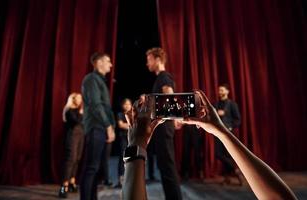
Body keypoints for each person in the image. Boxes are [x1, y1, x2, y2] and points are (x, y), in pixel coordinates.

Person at [122, 91, 298, 200]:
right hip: (222, 133)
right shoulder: (219, 106)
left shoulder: (231, 105)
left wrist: (136, 145)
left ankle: (234, 172)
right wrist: (221, 131)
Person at [145, 47, 182, 199]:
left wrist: (176, 118)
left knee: (167, 166)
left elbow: (169, 94)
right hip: (163, 127)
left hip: (165, 127)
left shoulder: (164, 77)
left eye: (149, 60)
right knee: (165, 166)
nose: (147, 64)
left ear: (157, 60)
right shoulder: (161, 77)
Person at [80, 52, 116, 200]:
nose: (111, 64)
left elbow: (104, 107)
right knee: (91, 168)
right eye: (108, 61)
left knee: (96, 170)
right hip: (96, 128)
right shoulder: (91, 79)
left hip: (101, 128)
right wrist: (108, 126)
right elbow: (96, 105)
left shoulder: (100, 81)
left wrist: (110, 126)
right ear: (99, 63)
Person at [214, 83, 242, 185]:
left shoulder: (232, 104)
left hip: (228, 133)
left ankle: (230, 177)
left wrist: (230, 127)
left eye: (222, 90)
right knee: (219, 154)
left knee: (227, 155)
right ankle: (235, 170)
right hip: (218, 133)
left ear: (227, 91)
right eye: (219, 90)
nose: (220, 92)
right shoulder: (216, 104)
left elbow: (238, 120)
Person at [59, 93, 85, 198]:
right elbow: (77, 121)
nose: (80, 100)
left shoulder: (79, 111)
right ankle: (63, 186)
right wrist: (82, 112)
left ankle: (72, 182)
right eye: (78, 98)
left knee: (77, 159)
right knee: (70, 159)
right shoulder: (69, 110)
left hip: (80, 137)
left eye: (81, 98)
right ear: (73, 99)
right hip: (72, 137)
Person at [114, 98, 132, 188]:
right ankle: (121, 179)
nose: (127, 106)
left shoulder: (133, 114)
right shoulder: (120, 114)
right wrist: (131, 126)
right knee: (123, 158)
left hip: (132, 139)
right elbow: (121, 125)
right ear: (122, 105)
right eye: (125, 104)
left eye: (129, 104)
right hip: (123, 138)